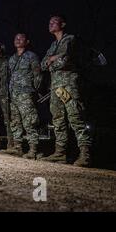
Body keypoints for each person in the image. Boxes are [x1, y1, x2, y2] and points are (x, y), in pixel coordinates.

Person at [40, 15, 92, 167]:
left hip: (68, 84)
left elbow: (65, 61)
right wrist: (52, 59)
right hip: (56, 87)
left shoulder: (70, 40)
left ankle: (85, 154)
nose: (50, 24)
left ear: (63, 24)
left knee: (75, 117)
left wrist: (53, 61)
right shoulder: (52, 45)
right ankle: (60, 153)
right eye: (49, 22)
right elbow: (43, 65)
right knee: (57, 119)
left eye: (54, 22)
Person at [1, 33, 41, 159]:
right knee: (15, 122)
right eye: (16, 38)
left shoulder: (31, 56)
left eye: (21, 38)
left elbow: (38, 75)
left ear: (27, 41)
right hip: (13, 95)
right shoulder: (12, 59)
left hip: (26, 94)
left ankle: (33, 149)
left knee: (29, 121)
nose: (18, 40)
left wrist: (34, 91)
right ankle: (17, 147)